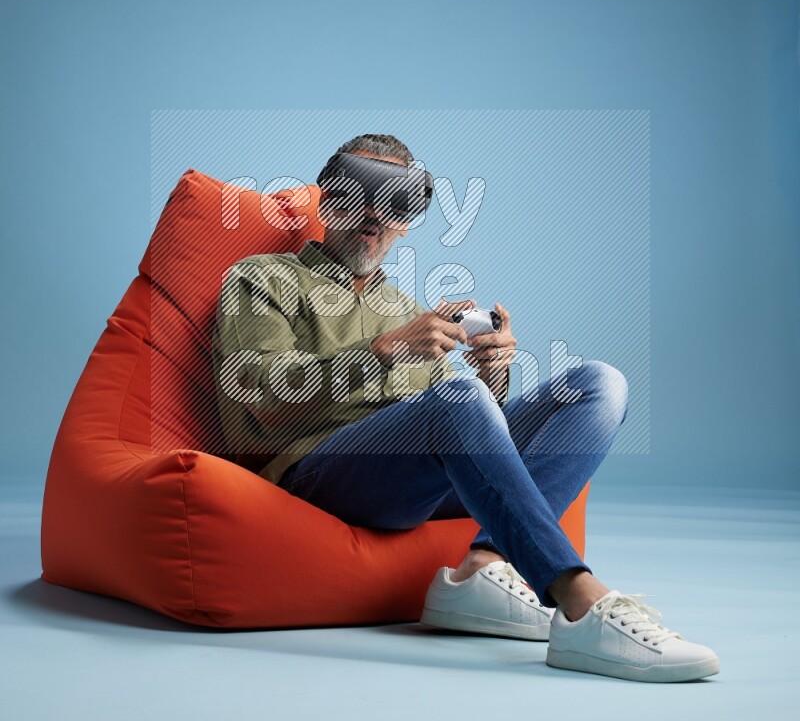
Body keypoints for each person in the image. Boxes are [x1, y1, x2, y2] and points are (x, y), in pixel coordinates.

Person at [212, 133, 720, 683]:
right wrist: (383, 352)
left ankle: (482, 567)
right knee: (457, 397)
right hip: (316, 476)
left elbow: (461, 432)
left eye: (397, 205)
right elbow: (259, 399)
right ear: (328, 201)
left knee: (599, 384)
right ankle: (579, 600)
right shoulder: (262, 278)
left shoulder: (405, 309)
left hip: (410, 485)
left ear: (408, 222)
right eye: (360, 195)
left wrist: (493, 378)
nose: (376, 217)